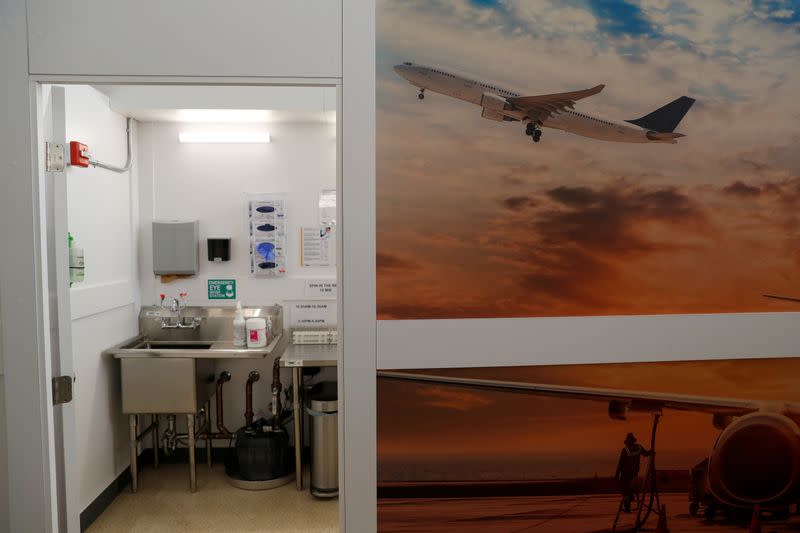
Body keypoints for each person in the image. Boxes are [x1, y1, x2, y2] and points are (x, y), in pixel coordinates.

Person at [615, 432, 653, 513]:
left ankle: (627, 505)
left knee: (625, 490)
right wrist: (651, 452)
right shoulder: (639, 447)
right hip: (634, 473)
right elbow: (646, 454)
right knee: (629, 488)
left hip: (626, 473)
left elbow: (620, 463)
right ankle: (630, 498)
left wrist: (617, 474)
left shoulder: (625, 450)